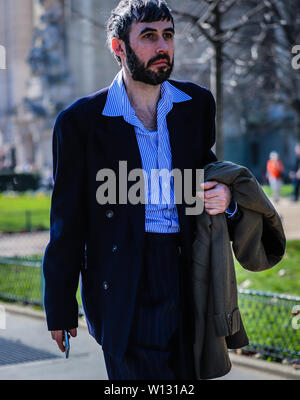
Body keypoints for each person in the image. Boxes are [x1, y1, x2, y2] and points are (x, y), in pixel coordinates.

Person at [43, 0, 240, 380]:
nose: (162, 45)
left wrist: (226, 199)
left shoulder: (195, 105)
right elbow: (66, 223)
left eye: (168, 35)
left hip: (188, 272)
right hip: (122, 280)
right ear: (119, 48)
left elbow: (209, 172)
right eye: (148, 36)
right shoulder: (79, 123)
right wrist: (60, 306)